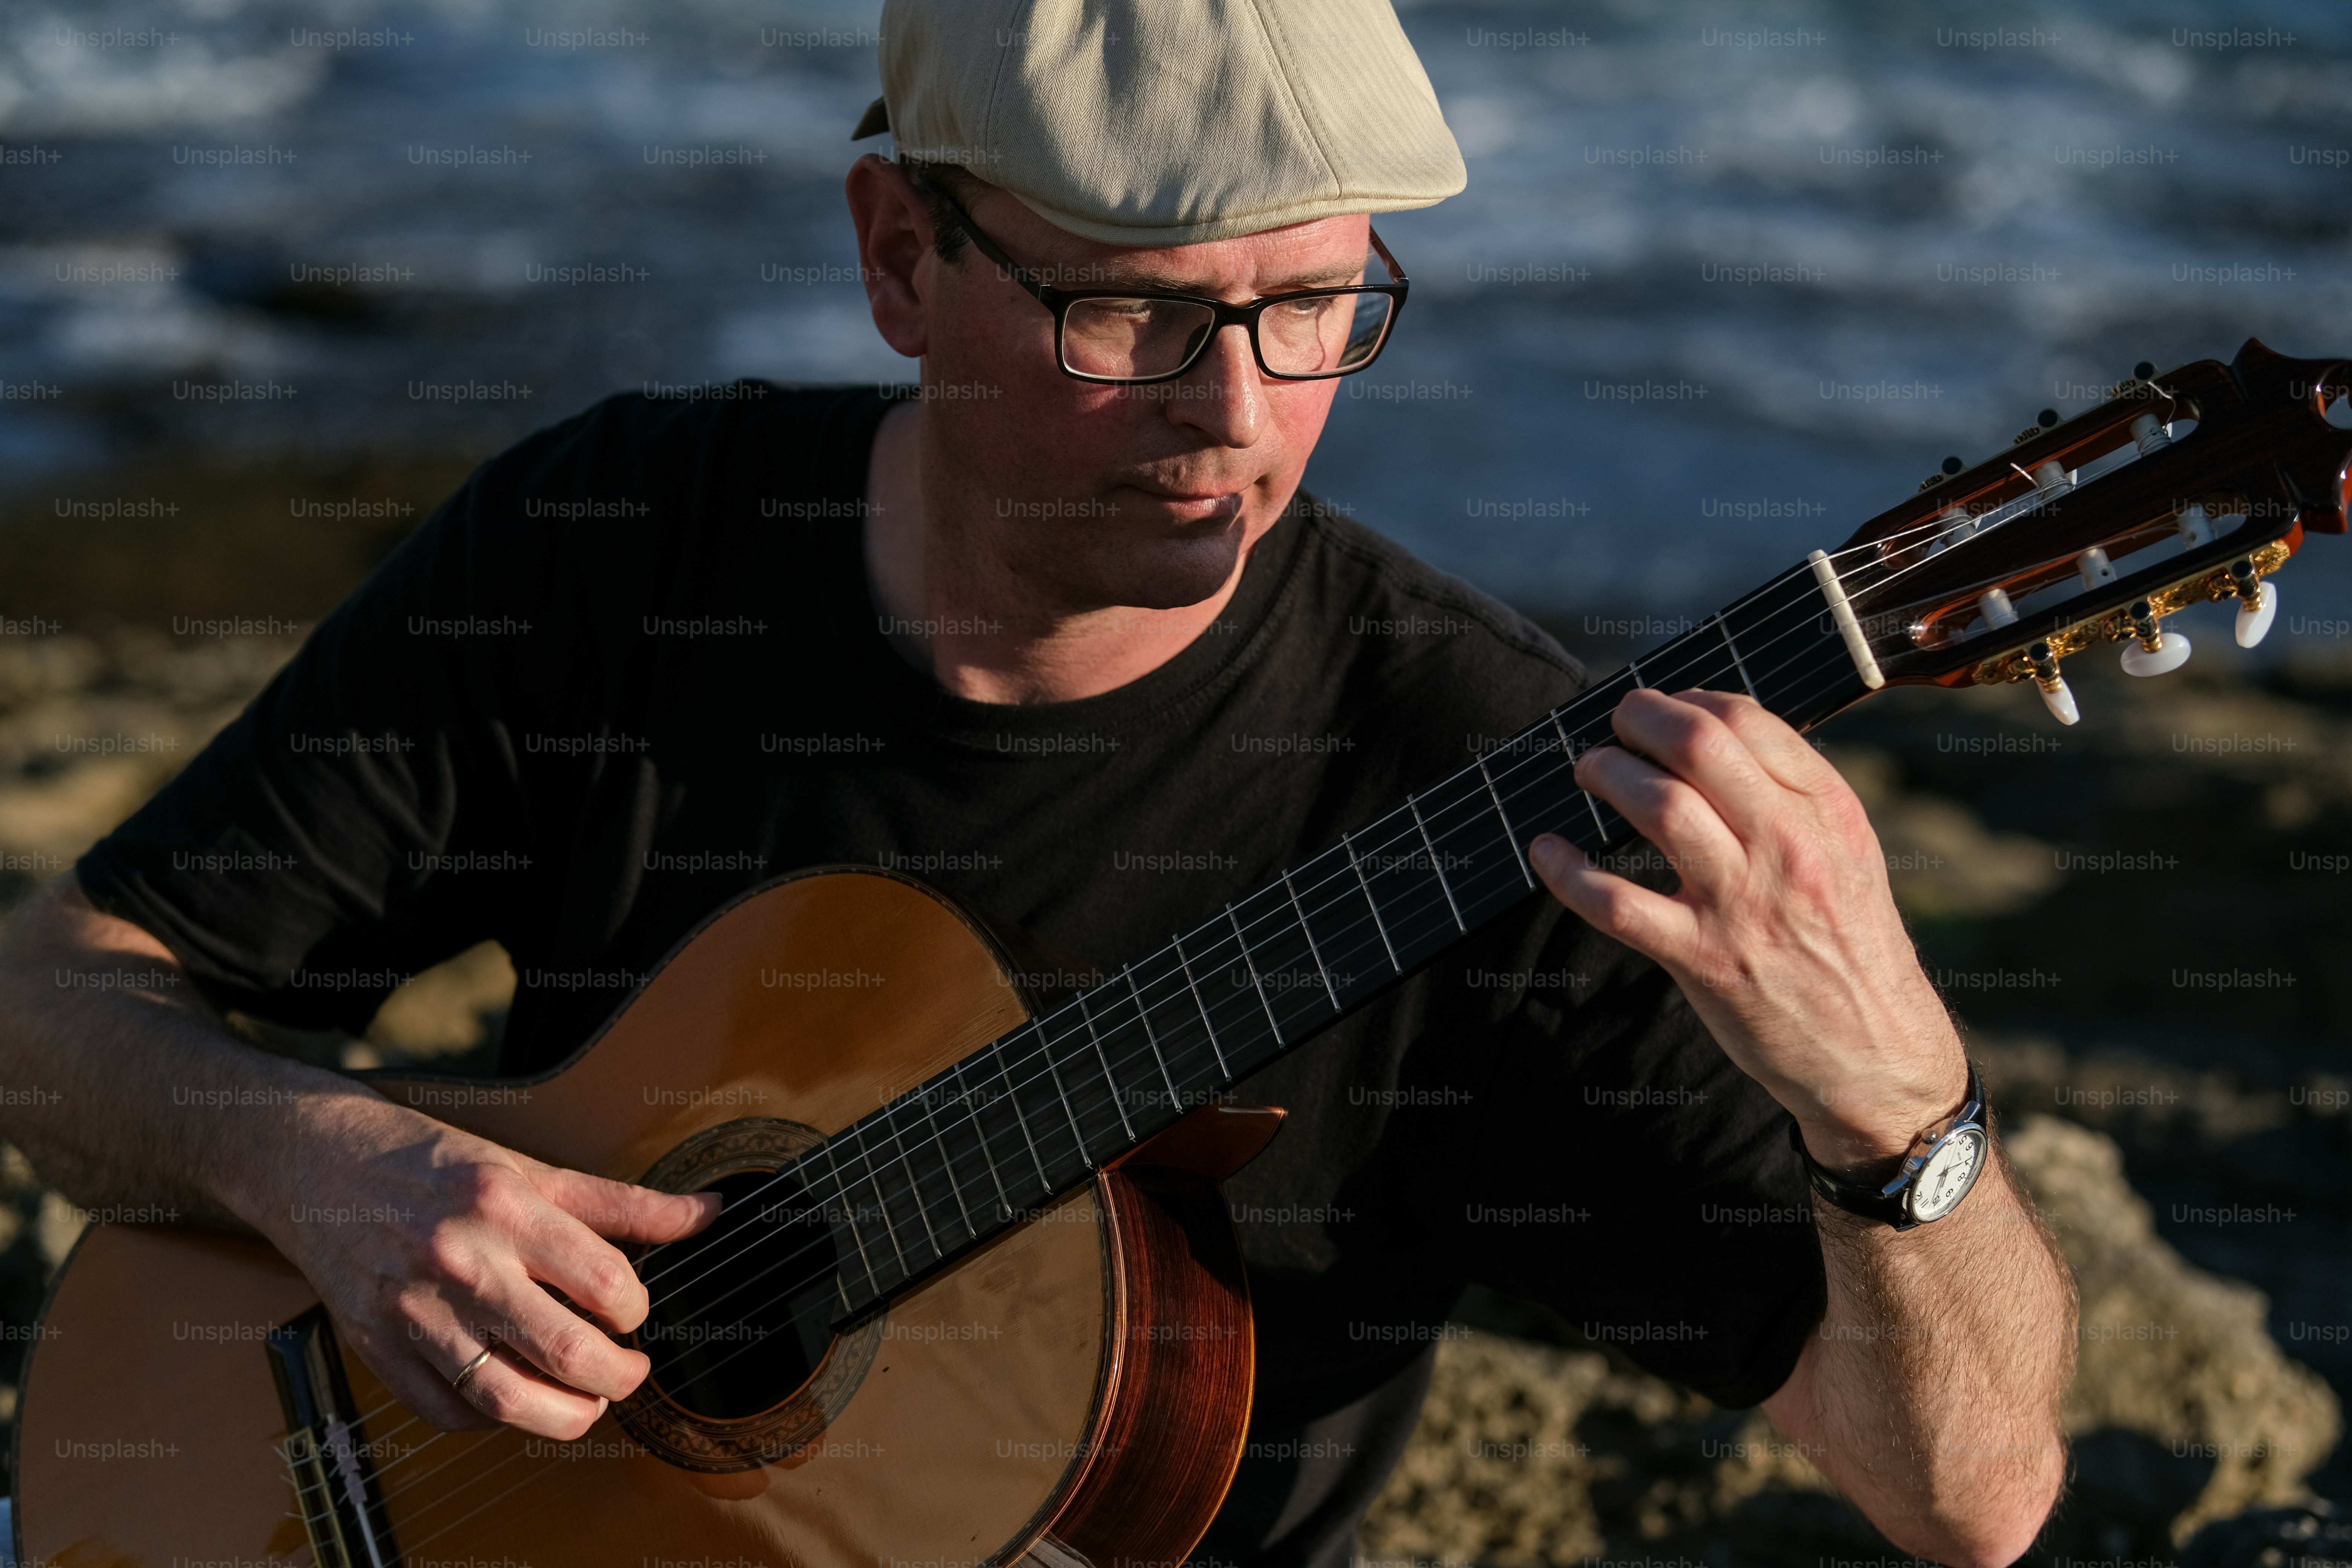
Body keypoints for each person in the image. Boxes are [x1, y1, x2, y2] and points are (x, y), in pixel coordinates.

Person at [0, 2, 2073, 1563]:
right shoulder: (624, 542)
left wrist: (1894, 1104)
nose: (1235, 417)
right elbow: (49, 1012)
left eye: (1317, 310)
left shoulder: (1491, 791)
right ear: (901, 257)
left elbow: (1968, 1494)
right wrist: (324, 1166)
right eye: (1134, 320)